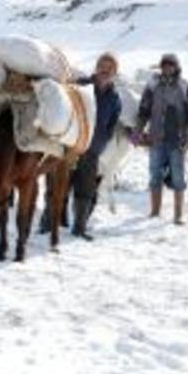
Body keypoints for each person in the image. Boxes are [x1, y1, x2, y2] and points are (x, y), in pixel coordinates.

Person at [133, 53, 188, 225]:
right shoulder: (152, 86)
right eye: (164, 65)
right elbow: (143, 112)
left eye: (171, 65)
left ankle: (178, 215)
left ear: (177, 67)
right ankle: (155, 211)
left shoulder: (186, 87)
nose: (167, 68)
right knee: (154, 175)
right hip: (156, 139)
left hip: (178, 140)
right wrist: (137, 131)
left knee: (178, 177)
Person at [69, 53, 122, 240]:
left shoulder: (115, 98)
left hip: (92, 150)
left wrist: (101, 141)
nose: (105, 70)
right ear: (96, 67)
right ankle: (48, 224)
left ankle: (79, 227)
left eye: (110, 68)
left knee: (85, 189)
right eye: (102, 66)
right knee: (60, 185)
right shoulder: (81, 85)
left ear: (115, 72)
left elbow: (112, 125)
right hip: (70, 145)